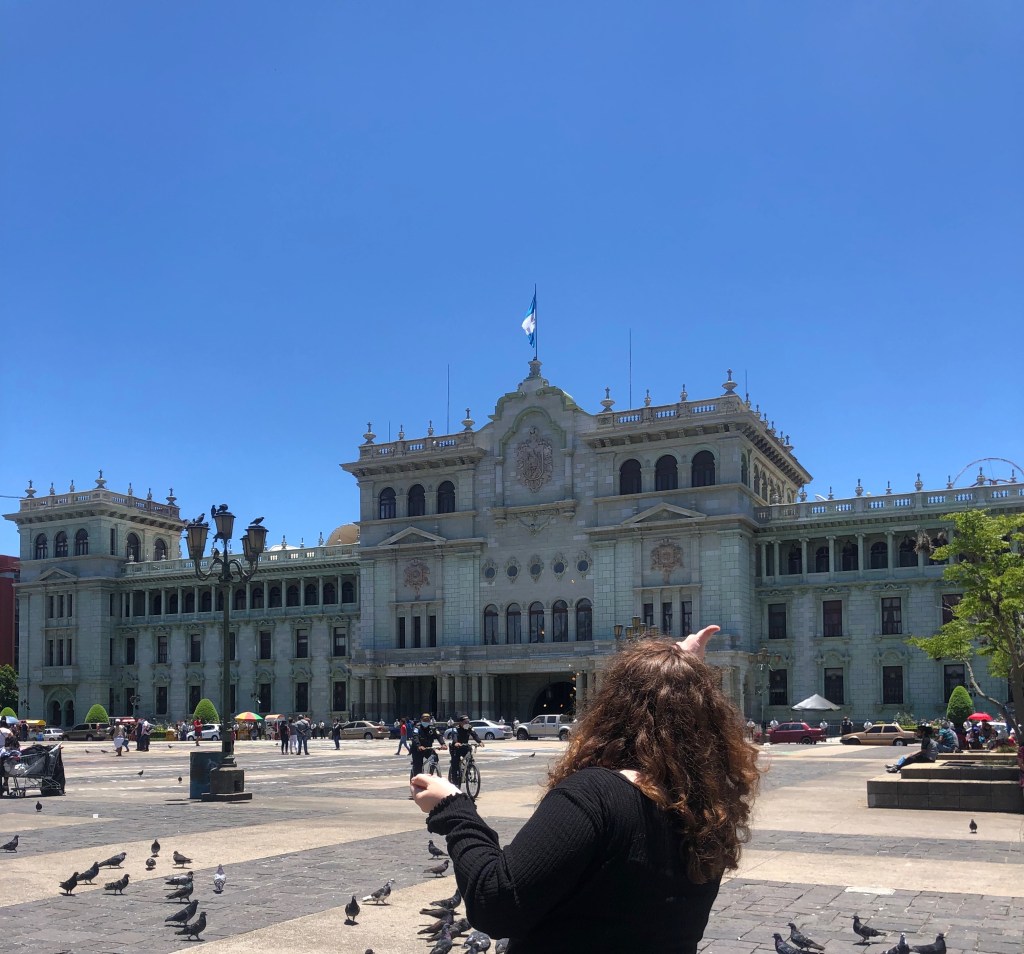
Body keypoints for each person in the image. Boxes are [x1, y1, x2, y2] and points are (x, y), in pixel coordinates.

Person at [411, 626, 760, 953]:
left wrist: (454, 810)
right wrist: (680, 673)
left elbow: (496, 902)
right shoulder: (706, 807)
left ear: (614, 706)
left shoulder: (596, 795)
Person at [410, 713, 444, 791]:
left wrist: (443, 744)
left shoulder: (432, 728)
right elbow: (415, 737)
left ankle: (431, 772)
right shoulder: (417, 728)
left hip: (428, 748)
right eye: (424, 720)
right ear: (421, 720)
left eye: (428, 720)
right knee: (418, 766)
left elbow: (439, 736)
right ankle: (417, 785)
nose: (426, 721)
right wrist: (419, 746)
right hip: (418, 749)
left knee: (434, 757)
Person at [448, 714, 483, 785]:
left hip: (465, 746)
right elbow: (454, 736)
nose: (467, 723)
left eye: (468, 722)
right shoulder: (456, 728)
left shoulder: (469, 727)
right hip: (456, 748)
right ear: (460, 723)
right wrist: (456, 742)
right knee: (455, 764)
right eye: (465, 722)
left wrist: (479, 741)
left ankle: (469, 768)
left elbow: (474, 735)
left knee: (470, 758)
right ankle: (455, 781)